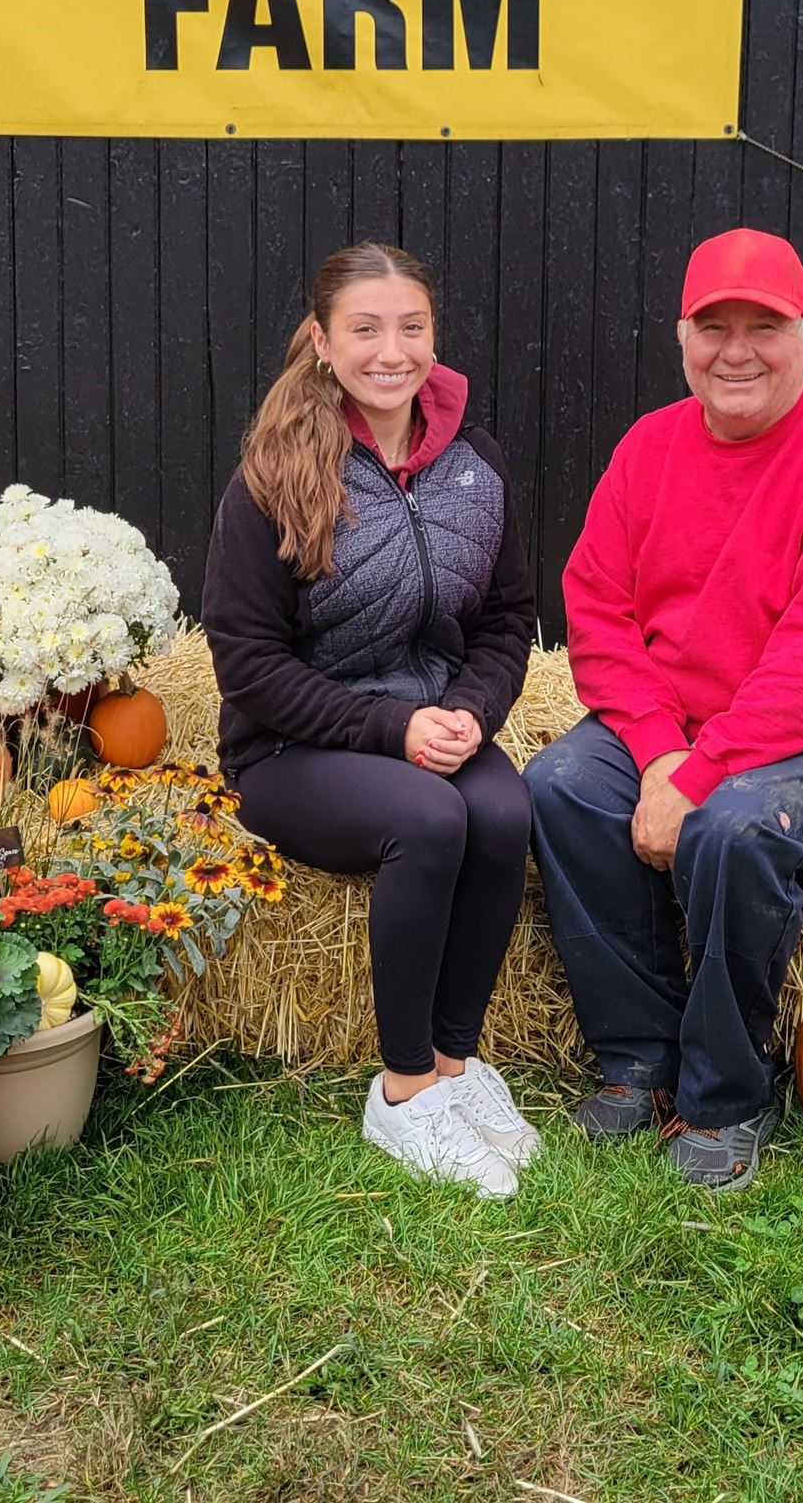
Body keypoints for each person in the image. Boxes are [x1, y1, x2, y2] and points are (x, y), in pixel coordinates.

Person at [525, 228, 803, 1191]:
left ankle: (725, 1095)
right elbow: (598, 606)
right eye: (716, 326)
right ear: (682, 337)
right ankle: (638, 1056)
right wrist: (664, 752)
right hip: (686, 729)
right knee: (561, 787)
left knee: (735, 828)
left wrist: (698, 776)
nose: (737, 350)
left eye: (766, 326)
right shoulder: (649, 447)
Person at [202, 243, 540, 1197]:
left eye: (411, 326)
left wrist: (471, 710)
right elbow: (249, 665)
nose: (391, 350)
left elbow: (510, 619)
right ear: (321, 342)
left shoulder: (476, 462)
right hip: (292, 747)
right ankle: (401, 1093)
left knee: (507, 813)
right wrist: (394, 731)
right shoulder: (273, 475)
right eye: (365, 328)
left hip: (431, 718)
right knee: (429, 819)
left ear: (434, 335)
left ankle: (457, 1067)